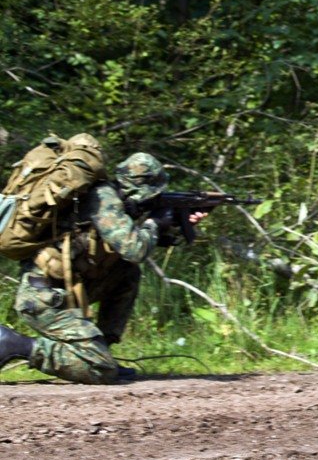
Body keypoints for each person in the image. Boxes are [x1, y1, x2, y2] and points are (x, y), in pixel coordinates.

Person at [0, 153, 205, 384]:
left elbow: (125, 246)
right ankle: (17, 345)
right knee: (101, 370)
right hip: (44, 299)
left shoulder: (114, 199)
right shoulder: (104, 200)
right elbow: (135, 248)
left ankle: (101, 349)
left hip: (65, 288)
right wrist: (153, 223)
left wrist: (173, 226)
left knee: (128, 273)